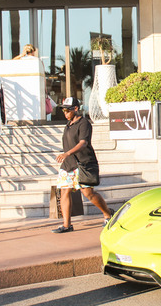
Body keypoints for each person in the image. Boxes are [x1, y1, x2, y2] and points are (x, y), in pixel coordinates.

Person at [52, 97, 113, 233]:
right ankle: (67, 225)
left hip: (83, 163)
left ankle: (107, 213)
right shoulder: (68, 125)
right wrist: (67, 156)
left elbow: (83, 143)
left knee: (88, 193)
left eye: (68, 110)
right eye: (63, 110)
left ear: (76, 109)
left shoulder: (84, 123)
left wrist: (67, 153)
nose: (65, 113)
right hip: (68, 165)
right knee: (64, 191)